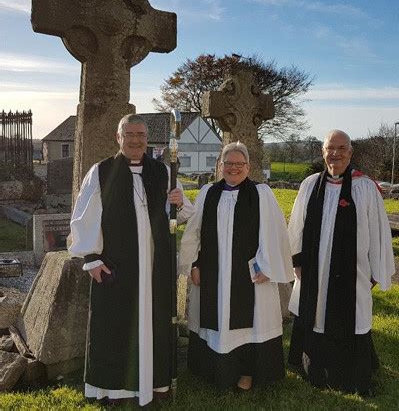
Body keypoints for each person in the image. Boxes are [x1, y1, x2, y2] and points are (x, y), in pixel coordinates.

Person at [69, 114, 194, 406]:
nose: (136, 140)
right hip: (116, 266)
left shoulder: (162, 172)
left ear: (147, 139)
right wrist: (92, 259)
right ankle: (114, 390)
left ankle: (155, 384)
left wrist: (178, 200)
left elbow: (183, 215)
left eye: (141, 135)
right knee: (114, 326)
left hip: (155, 268)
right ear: (119, 137)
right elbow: (84, 218)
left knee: (155, 324)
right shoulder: (102, 172)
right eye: (130, 135)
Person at [179, 142, 294, 391]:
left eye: (238, 164)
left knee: (250, 323)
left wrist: (268, 266)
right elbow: (194, 233)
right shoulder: (208, 192)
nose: (233, 168)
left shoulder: (261, 194)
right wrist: (195, 264)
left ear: (248, 167)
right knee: (215, 319)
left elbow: (275, 233)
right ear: (220, 166)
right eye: (228, 163)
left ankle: (247, 372)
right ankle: (213, 370)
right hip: (213, 274)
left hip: (251, 276)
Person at [287, 130, 395, 395]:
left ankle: (351, 374)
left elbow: (378, 231)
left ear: (350, 152)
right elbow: (297, 226)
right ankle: (313, 367)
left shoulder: (365, 187)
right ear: (322, 152)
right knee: (315, 313)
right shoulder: (310, 184)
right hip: (314, 269)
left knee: (352, 313)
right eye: (329, 148)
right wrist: (296, 260)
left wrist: (375, 271)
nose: (335, 153)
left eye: (341, 148)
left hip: (352, 270)